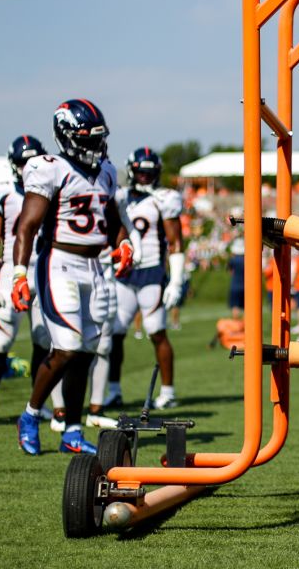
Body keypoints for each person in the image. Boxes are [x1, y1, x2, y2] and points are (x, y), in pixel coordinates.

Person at [10, 99, 140, 455]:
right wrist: (19, 273)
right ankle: (31, 415)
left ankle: (72, 429)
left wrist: (124, 242)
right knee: (65, 348)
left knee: (85, 351)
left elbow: (111, 221)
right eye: (87, 138)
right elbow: (28, 224)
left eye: (98, 138)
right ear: (66, 136)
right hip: (59, 262)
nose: (95, 146)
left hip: (96, 267)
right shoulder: (48, 167)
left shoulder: (107, 171)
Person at [0, 135, 65, 425]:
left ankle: (35, 403)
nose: (28, 169)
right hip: (12, 270)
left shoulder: (55, 189)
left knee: (44, 339)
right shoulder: (1, 193)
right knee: (1, 339)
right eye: (23, 163)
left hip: (44, 268)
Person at [94, 146, 186, 413]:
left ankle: (168, 391)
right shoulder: (120, 196)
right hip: (124, 274)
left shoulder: (164, 198)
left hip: (152, 273)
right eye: (140, 173)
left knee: (157, 332)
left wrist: (176, 281)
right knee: (115, 334)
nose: (145, 178)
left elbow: (176, 242)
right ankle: (114, 390)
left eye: (149, 173)